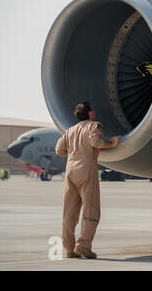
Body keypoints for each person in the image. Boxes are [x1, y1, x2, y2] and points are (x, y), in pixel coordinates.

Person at [56, 102, 121, 259]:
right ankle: (84, 246)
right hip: (87, 169)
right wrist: (112, 143)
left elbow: (59, 150)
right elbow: (96, 143)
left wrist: (72, 149)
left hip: (70, 171)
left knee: (69, 213)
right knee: (91, 210)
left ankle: (69, 248)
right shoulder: (94, 126)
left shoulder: (70, 131)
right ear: (90, 113)